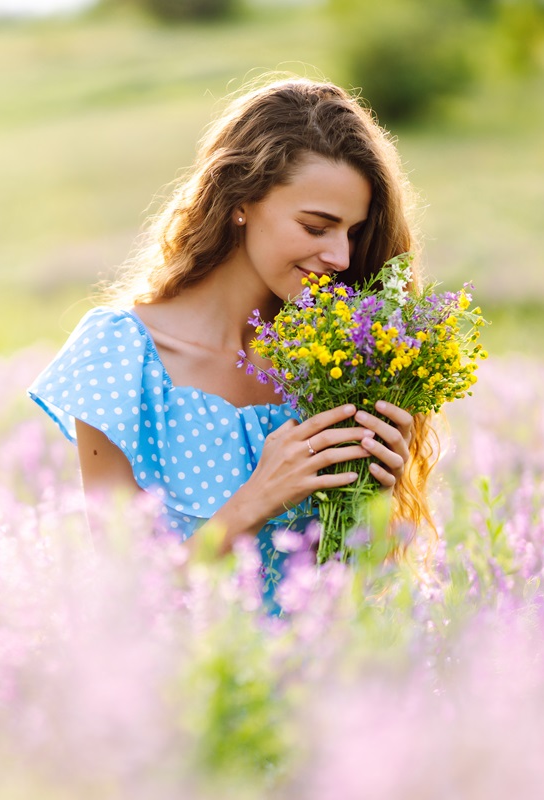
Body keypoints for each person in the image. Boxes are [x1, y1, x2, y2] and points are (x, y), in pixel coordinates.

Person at [28, 77, 437, 607]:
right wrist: (253, 503)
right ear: (240, 200)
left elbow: (355, 590)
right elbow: (123, 599)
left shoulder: (339, 363)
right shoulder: (122, 357)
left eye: (354, 234)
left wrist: (369, 503)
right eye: (317, 227)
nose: (340, 256)